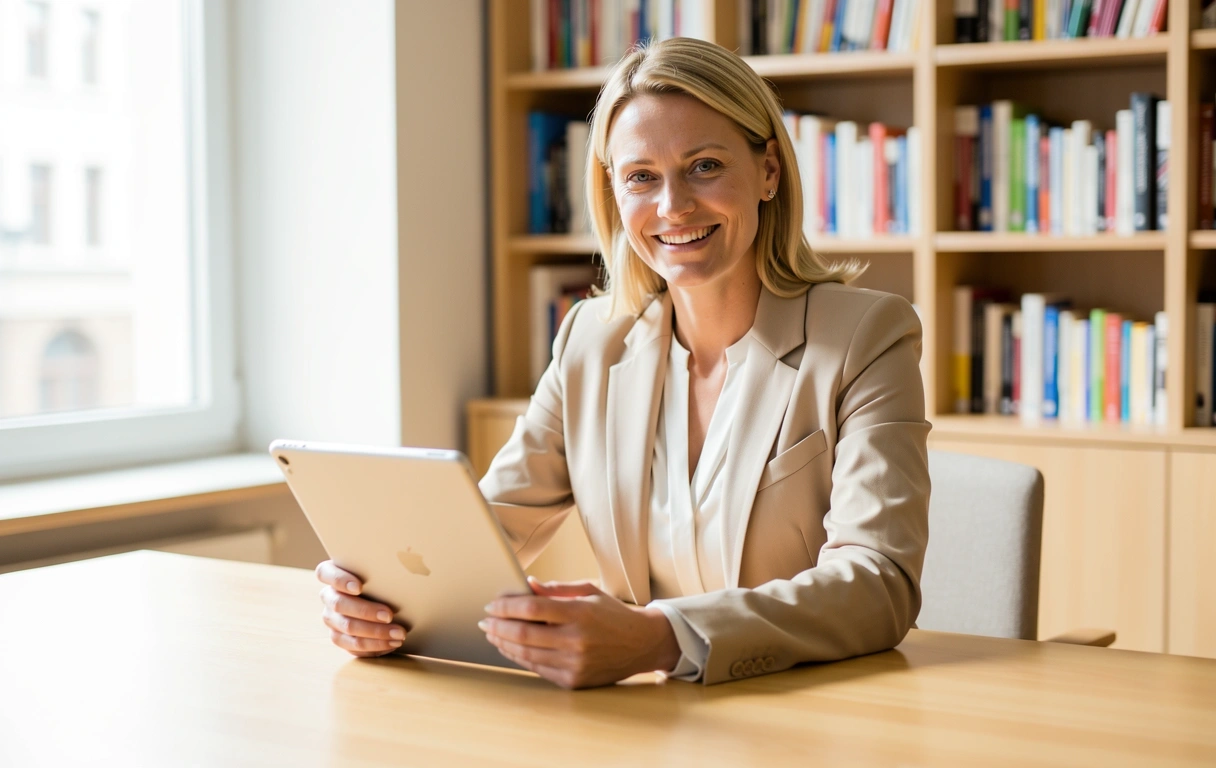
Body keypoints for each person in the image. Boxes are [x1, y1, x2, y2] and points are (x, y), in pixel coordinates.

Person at [315, 36, 931, 688]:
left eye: (704, 166)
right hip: (643, 719)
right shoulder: (591, 341)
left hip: (810, 709)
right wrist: (374, 592)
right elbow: (479, 533)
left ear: (769, 172)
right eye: (641, 177)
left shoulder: (865, 338)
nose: (673, 207)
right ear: (613, 193)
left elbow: (878, 583)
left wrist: (661, 638)